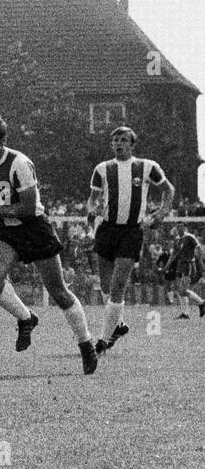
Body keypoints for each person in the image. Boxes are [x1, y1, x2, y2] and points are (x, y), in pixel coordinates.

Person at [0, 114, 98, 375]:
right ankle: (26, 318)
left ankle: (85, 343)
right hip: (4, 232)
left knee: (59, 292)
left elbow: (27, 207)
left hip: (33, 228)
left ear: (2, 141)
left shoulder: (19, 163)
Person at [85, 126, 174, 353]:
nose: (118, 143)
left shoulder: (147, 167)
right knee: (104, 284)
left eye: (123, 140)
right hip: (107, 229)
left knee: (117, 286)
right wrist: (92, 210)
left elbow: (168, 190)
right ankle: (120, 324)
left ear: (132, 144)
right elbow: (92, 199)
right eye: (115, 140)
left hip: (131, 232)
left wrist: (159, 215)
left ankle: (103, 340)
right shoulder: (102, 169)